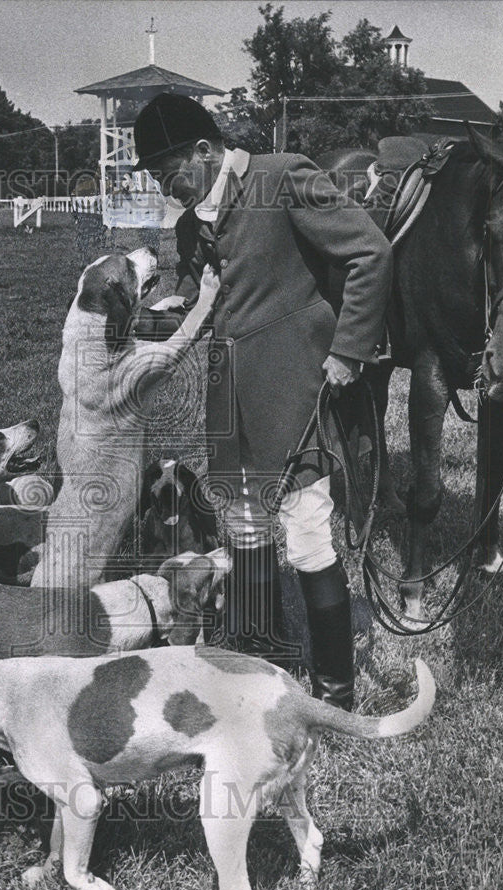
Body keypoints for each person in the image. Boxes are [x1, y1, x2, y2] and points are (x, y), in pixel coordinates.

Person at [132, 93, 393, 710]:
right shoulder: (189, 222)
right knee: (245, 527)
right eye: (155, 180)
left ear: (204, 150)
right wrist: (175, 304)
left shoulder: (283, 176)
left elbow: (369, 252)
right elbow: (205, 288)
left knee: (305, 532)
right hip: (228, 401)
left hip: (293, 389)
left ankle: (334, 691)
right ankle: (262, 654)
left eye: (170, 174)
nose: (168, 191)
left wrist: (349, 350)